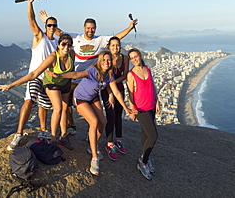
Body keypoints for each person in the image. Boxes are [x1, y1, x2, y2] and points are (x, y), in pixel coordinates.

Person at [39, 11, 138, 134]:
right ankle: (68, 128)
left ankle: (87, 131)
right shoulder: (76, 38)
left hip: (90, 80)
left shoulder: (100, 40)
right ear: (84, 28)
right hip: (74, 77)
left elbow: (116, 38)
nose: (90, 30)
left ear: (95, 29)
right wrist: (47, 21)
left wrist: (129, 27)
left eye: (93, 28)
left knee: (88, 108)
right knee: (66, 105)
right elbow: (59, 33)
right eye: (88, 28)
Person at [47, 50, 134, 176]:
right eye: (104, 60)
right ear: (100, 61)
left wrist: (126, 108)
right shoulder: (93, 70)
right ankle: (94, 157)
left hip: (93, 97)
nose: (106, 62)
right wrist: (59, 75)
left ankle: (91, 145)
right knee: (94, 122)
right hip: (80, 97)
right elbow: (76, 75)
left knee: (103, 122)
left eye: (108, 60)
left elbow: (116, 92)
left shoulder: (109, 75)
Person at [0, 34, 75, 150]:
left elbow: (72, 72)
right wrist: (11, 85)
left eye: (69, 45)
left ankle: (63, 136)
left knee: (64, 108)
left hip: (65, 84)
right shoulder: (53, 57)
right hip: (51, 84)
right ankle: (53, 139)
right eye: (63, 44)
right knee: (57, 108)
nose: (66, 47)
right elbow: (34, 74)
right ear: (58, 45)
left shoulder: (71, 54)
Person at [6, 0, 59, 151]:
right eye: (49, 25)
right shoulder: (39, 36)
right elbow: (31, 20)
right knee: (29, 101)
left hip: (49, 79)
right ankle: (19, 133)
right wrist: (30, 4)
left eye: (54, 25)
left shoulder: (57, 43)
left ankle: (43, 130)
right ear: (45, 25)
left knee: (44, 106)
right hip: (35, 76)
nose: (51, 27)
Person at [126, 48, 160, 180]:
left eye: (136, 56)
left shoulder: (147, 68)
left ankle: (145, 156)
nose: (134, 59)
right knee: (153, 135)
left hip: (151, 105)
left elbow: (153, 86)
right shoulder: (131, 74)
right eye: (132, 58)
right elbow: (130, 93)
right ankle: (143, 162)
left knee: (145, 134)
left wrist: (157, 101)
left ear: (140, 56)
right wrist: (131, 110)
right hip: (140, 108)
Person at [101, 36, 129, 160]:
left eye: (117, 45)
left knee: (119, 114)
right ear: (109, 47)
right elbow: (104, 78)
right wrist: (111, 92)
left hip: (119, 88)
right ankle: (109, 143)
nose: (115, 48)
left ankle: (119, 140)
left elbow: (125, 75)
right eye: (113, 45)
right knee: (110, 115)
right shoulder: (106, 59)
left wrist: (114, 86)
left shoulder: (125, 58)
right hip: (107, 90)